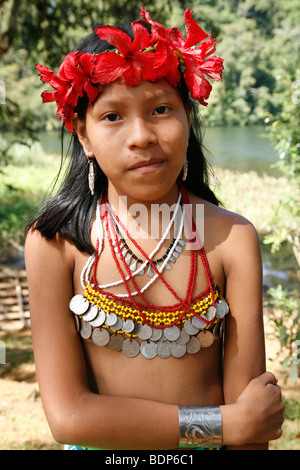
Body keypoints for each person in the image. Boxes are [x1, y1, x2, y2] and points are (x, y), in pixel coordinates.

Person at [25, 8, 284, 451]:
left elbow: (252, 426)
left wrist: (239, 427)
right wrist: (221, 425)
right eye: (112, 117)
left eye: (161, 109)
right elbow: (69, 418)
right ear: (82, 136)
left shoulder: (231, 240)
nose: (142, 135)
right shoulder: (56, 244)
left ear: (188, 118)